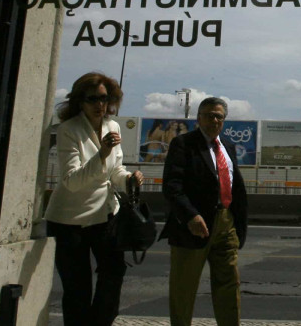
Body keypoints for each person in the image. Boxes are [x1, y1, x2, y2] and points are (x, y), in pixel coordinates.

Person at [44, 72, 144, 326]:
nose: (100, 105)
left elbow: (115, 171)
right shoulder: (68, 130)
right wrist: (102, 152)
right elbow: (72, 181)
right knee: (78, 289)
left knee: (114, 273)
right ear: (80, 101)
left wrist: (130, 178)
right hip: (69, 221)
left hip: (104, 216)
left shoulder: (113, 126)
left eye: (105, 98)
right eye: (93, 99)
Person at [160, 97, 248, 326]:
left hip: (225, 222)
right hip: (194, 226)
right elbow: (172, 186)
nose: (214, 120)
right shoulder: (183, 144)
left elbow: (234, 185)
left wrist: (236, 222)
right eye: (209, 115)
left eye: (219, 116)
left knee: (229, 284)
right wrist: (190, 215)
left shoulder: (227, 146)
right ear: (199, 118)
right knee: (184, 288)